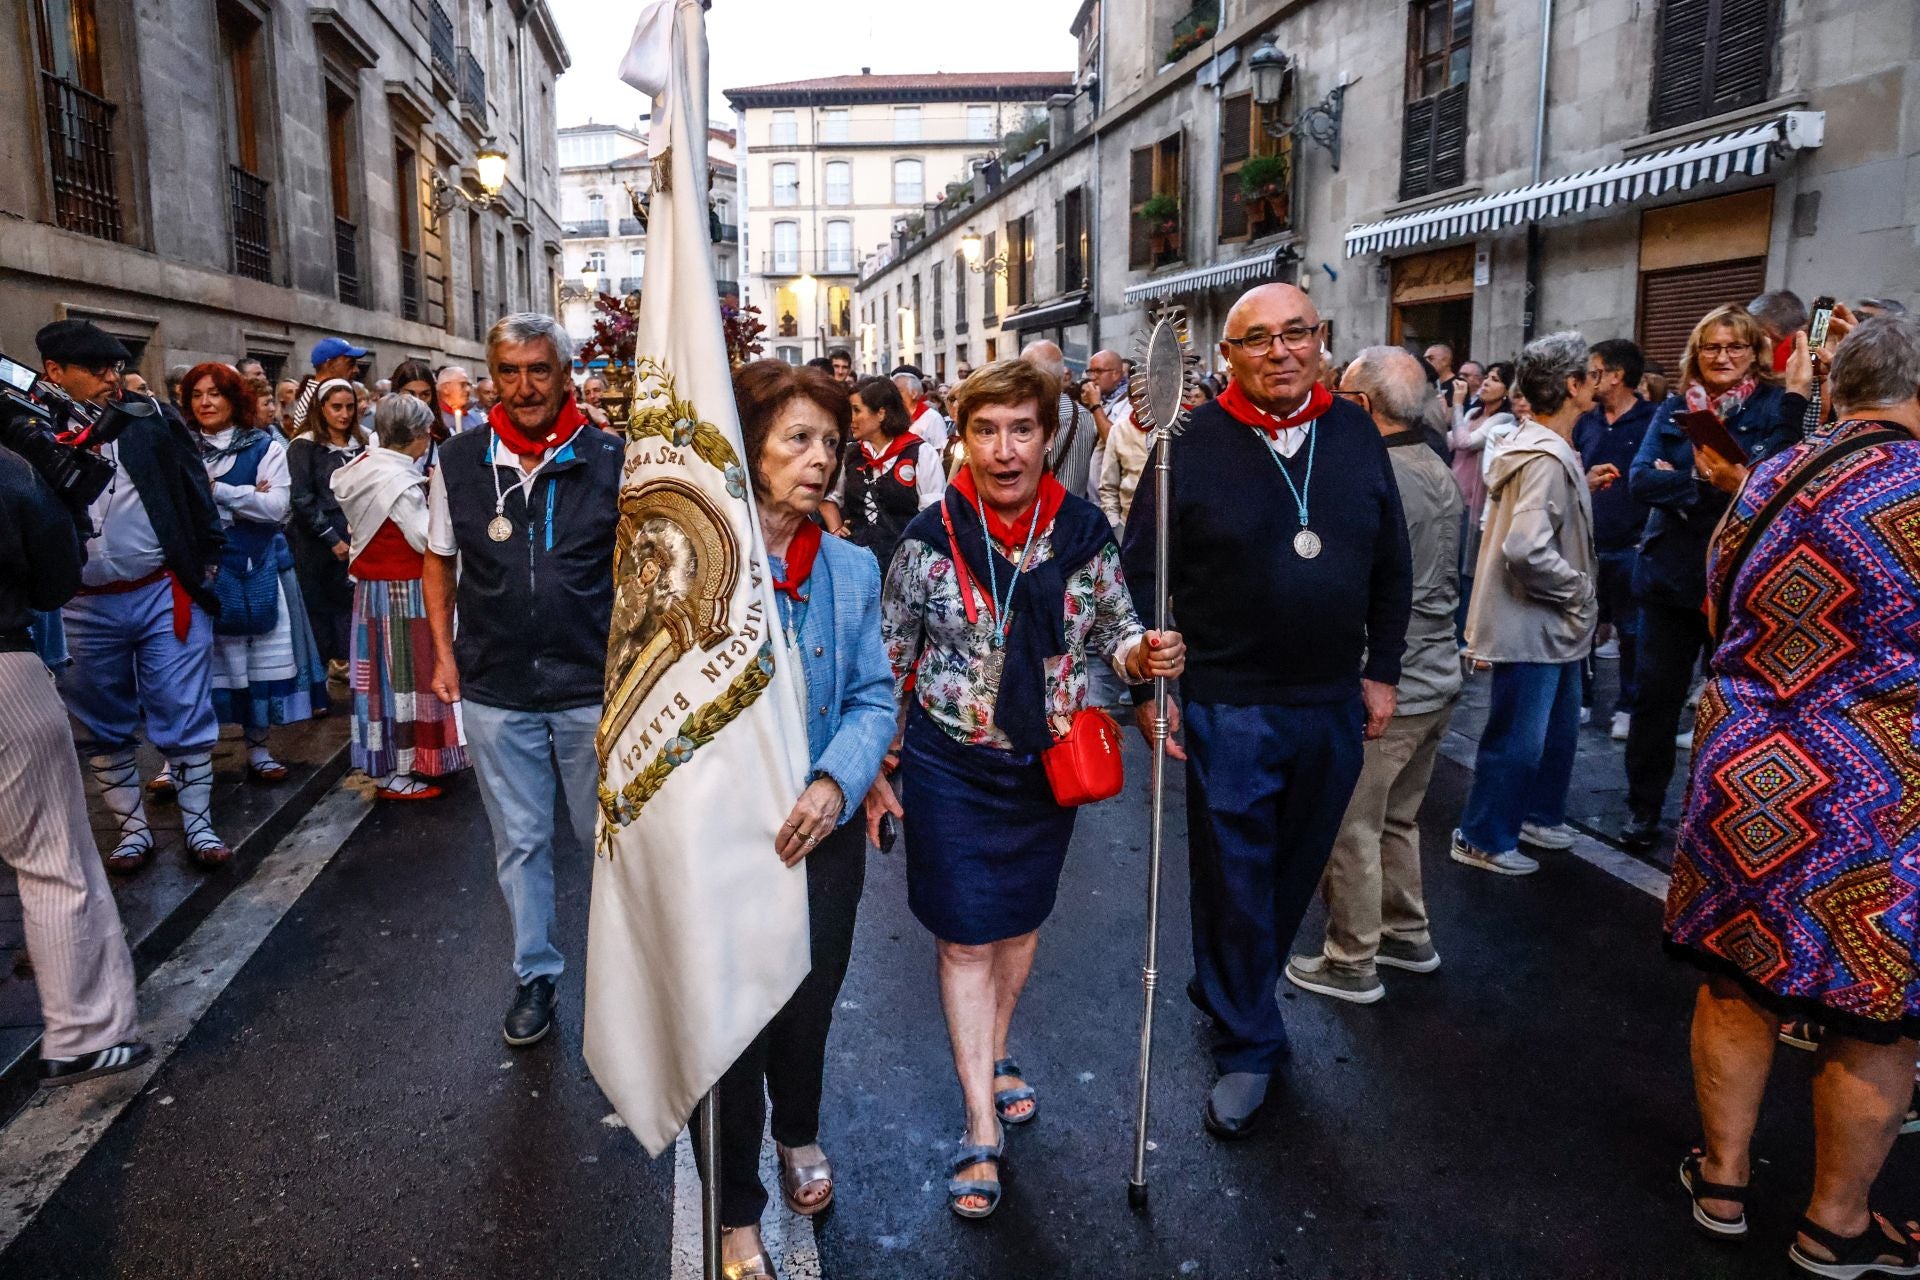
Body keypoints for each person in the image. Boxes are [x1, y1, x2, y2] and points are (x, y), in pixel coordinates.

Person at [880, 358, 1182, 1218]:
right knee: (965, 939)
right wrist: (874, 764)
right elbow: (892, 659)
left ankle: (998, 1047)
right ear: (964, 438)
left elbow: (1116, 632)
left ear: (1050, 437)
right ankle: (980, 1120)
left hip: (1044, 766)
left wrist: (1142, 657)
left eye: (1022, 430)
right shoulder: (928, 540)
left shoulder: (1084, 532)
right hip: (949, 764)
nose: (1004, 449)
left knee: (1017, 922)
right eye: (985, 430)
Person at [1121, 283, 1410, 1139]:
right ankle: (1250, 1042)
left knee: (1294, 870)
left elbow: (1392, 560)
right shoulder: (1192, 445)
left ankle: (1228, 983)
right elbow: (1140, 574)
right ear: (1230, 356)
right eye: (1258, 339)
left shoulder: (1354, 431)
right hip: (1228, 702)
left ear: (1321, 340)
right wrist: (1148, 685)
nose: (1280, 352)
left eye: (1297, 334)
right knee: (1236, 875)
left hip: (1328, 702)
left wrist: (1383, 667)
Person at [1663, 315, 1920, 1276]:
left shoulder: (1771, 476)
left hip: (1748, 762)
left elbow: (1718, 607)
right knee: (1874, 1010)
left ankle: (1723, 1180)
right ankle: (1835, 1223)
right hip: (1885, 782)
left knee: (1736, 975)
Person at [700, 362, 894, 1280]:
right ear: (750, 450)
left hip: (821, 836)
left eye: (831, 443)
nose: (820, 461)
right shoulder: (699, 563)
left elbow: (873, 697)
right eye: (797, 440)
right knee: (736, 1025)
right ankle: (737, 1210)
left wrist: (835, 784)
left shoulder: (851, 567)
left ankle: (800, 1134)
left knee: (807, 1008)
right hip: (727, 843)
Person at [424, 313, 623, 1047]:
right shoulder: (458, 461)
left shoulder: (609, 457)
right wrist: (444, 656)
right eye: (510, 371)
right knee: (522, 843)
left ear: (565, 373)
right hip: (495, 685)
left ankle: (624, 976)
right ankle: (536, 974)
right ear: (491, 378)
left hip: (590, 686)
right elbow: (439, 558)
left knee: (606, 841)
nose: (526, 385)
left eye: (540, 369)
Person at [1286, 347, 1462, 1004]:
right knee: (1397, 820)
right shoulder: (1435, 466)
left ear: (1361, 405)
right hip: (1436, 673)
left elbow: (1350, 584)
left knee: (1351, 825)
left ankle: (1351, 958)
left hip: (1389, 680)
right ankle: (1406, 933)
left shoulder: (1375, 471)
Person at [40, 322, 228, 872]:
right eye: (95, 370)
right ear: (55, 372)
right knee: (100, 719)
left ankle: (199, 825)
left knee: (186, 708)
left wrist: (207, 563)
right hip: (78, 603)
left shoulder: (149, 419)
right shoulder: (32, 428)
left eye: (114, 368)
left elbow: (193, 486)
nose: (110, 379)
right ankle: (131, 832)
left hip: (163, 592)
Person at [1621, 306, 1808, 850]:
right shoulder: (1678, 407)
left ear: (1754, 353)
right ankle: (1642, 810)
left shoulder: (1779, 407)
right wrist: (1721, 484)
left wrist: (1684, 483)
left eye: (1735, 347)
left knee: (1731, 705)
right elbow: (1639, 480)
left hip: (1738, 580)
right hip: (1669, 577)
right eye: (1711, 348)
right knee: (1655, 700)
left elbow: (1774, 477)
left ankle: (1712, 815)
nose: (1722, 358)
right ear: (1695, 354)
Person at [0, 422, 150, 1085]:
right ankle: (84, 1033)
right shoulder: (11, 467)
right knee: (51, 858)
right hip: (4, 671)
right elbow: (56, 580)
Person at [1452, 333, 1599, 876]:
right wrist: (1578, 588)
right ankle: (1482, 836)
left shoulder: (1543, 449)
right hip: (1532, 622)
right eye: (1590, 374)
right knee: (1519, 738)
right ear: (1571, 386)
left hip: (1549, 625)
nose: (1597, 382)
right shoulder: (1542, 456)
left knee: (1554, 732)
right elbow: (1526, 548)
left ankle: (1535, 814)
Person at [183, 362, 329, 783]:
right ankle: (183, 759)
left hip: (254, 567)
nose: (206, 402)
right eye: (197, 394)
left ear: (234, 399)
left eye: (215, 393)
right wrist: (248, 495)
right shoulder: (182, 448)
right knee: (196, 665)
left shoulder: (264, 447)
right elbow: (181, 509)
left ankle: (258, 747)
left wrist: (220, 492)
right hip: (198, 575)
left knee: (254, 660)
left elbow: (275, 509)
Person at [329, 394, 467, 800]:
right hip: (404, 594)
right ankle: (403, 768)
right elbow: (427, 538)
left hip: (372, 595)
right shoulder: (398, 483)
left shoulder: (364, 467)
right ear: (420, 435)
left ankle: (400, 761)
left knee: (381, 685)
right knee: (407, 679)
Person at [1574, 339, 1655, 742]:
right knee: (1584, 626)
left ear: (1616, 375)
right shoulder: (1586, 421)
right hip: (1588, 544)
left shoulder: (1652, 420)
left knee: (1632, 632)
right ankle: (1582, 699)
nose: (1589, 379)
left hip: (1632, 545)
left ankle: (1627, 706)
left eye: (1594, 371)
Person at [285, 379, 365, 680]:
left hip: (355, 533)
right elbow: (302, 497)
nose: (344, 414)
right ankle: (319, 679)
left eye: (349, 407)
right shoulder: (305, 445)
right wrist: (331, 539)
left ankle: (349, 664)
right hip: (317, 541)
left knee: (350, 606)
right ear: (321, 408)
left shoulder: (363, 441)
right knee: (318, 609)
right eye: (336, 407)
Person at [831, 374, 941, 569]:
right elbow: (831, 498)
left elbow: (933, 513)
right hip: (856, 560)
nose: (851, 419)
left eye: (857, 411)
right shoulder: (850, 454)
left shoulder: (920, 453)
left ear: (881, 413)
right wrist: (835, 530)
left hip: (904, 562)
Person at [1448, 361, 1517, 626]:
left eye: (1495, 379)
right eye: (1487, 377)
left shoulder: (1502, 420)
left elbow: (1464, 441)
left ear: (1507, 390)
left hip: (1476, 502)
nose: (1487, 383)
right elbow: (1454, 440)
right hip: (1457, 495)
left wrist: (1456, 404)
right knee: (1452, 566)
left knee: (1469, 569)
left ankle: (1467, 628)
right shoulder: (1474, 414)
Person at [1020, 341, 1094, 496]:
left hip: (1030, 513)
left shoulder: (1020, 414)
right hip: (1072, 513)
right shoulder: (1083, 415)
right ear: (1061, 375)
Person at [1081, 348, 1132, 507]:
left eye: (1098, 371)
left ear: (1116, 374)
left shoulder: (1130, 402)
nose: (1093, 377)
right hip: (1095, 499)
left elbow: (1114, 440)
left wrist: (1095, 405)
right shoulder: (1102, 399)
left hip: (1115, 502)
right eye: (1090, 371)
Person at [288, 337, 368, 436]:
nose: (356, 370)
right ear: (330, 365)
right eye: (350, 364)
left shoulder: (319, 393)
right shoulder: (315, 397)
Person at [894, 370, 950, 455]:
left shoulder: (933, 418)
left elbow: (941, 452)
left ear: (914, 393)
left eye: (899, 391)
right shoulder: (893, 418)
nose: (894, 395)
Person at [435, 366, 485, 437]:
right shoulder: (435, 421)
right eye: (462, 385)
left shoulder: (478, 418)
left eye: (468, 385)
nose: (468, 389)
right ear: (446, 388)